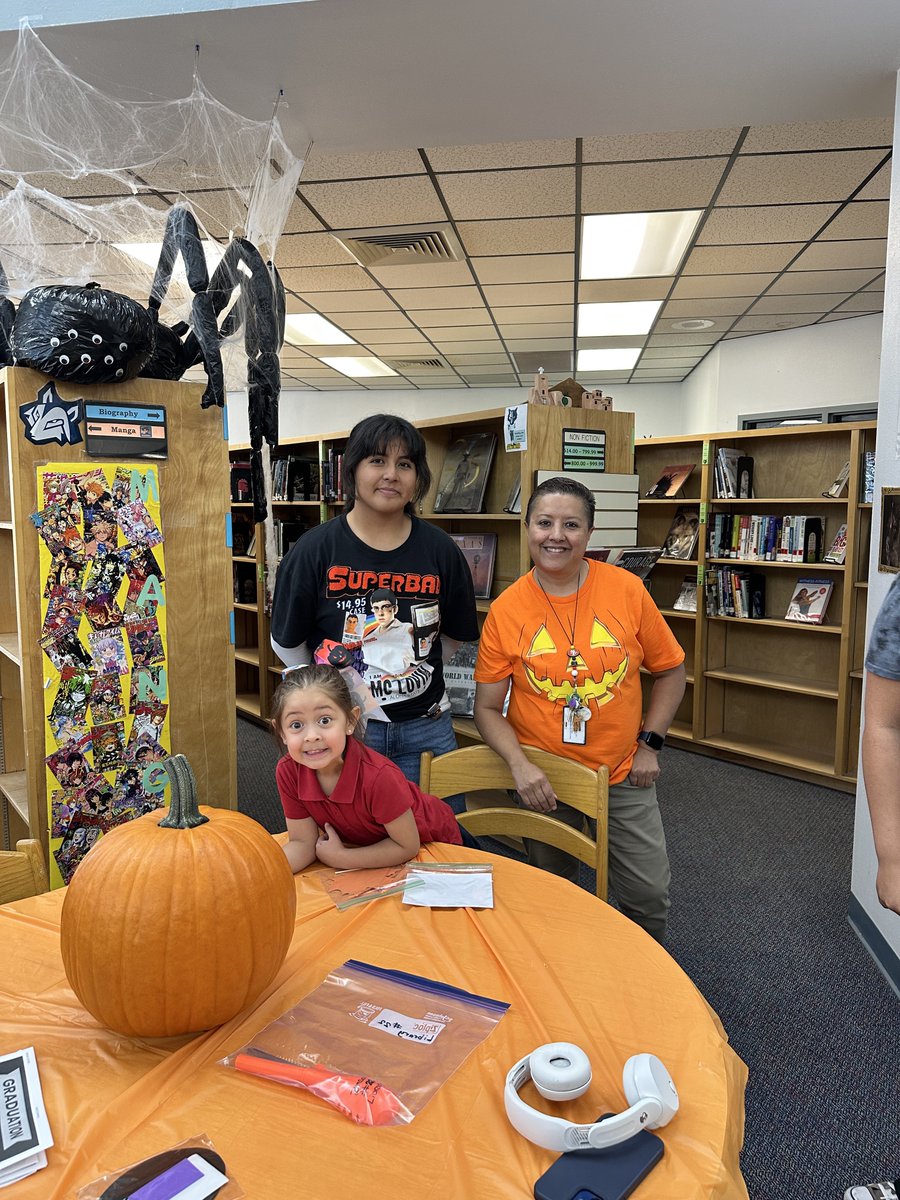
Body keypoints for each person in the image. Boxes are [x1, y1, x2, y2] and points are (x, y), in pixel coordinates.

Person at [473, 476, 686, 942]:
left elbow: (672, 671)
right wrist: (520, 766)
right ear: (527, 528)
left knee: (648, 895)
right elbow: (487, 707)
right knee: (554, 890)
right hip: (544, 776)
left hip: (622, 771)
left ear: (589, 535)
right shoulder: (507, 610)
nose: (556, 535)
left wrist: (651, 743)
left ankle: (637, 978)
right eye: (545, 522)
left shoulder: (627, 591)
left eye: (571, 524)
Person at [270, 413, 479, 782]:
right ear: (352, 470)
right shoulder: (314, 550)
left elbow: (451, 636)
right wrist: (332, 690)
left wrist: (410, 673)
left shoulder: (441, 550)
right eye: (377, 461)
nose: (391, 475)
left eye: (405, 464)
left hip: (425, 729)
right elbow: (286, 641)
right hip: (344, 734)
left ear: (418, 478)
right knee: (342, 837)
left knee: (439, 835)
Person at [271, 664, 472, 873]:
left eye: (325, 720)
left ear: (350, 720)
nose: (311, 735)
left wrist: (343, 857)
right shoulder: (288, 772)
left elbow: (406, 846)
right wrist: (261, 875)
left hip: (433, 846)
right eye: (296, 725)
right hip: (372, 850)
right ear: (282, 732)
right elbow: (303, 844)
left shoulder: (379, 776)